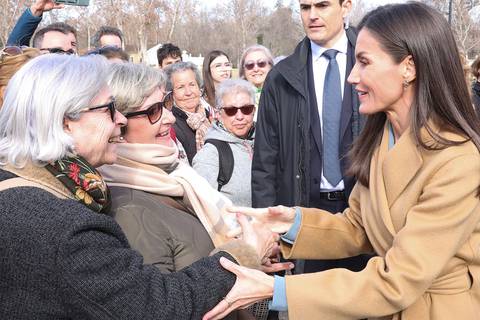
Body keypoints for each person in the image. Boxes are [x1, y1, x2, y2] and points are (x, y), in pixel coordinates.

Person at [204, 3, 480, 320]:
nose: (351, 76)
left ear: (408, 67)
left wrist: (277, 291)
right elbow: (358, 227)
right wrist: (290, 223)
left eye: (363, 62)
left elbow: (396, 281)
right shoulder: (383, 138)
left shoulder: (457, 160)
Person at [0, 54, 281, 319]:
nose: (119, 120)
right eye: (109, 110)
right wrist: (241, 254)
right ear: (65, 122)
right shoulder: (69, 228)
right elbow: (156, 308)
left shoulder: (23, 189)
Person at [252, 0, 368, 274]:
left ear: (346, 6)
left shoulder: (373, 66)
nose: (312, 16)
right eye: (305, 7)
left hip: (365, 213)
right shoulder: (281, 78)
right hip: (305, 217)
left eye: (322, 5)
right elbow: (265, 161)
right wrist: (266, 228)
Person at [193, 79, 256, 207]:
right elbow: (204, 208)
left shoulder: (267, 143)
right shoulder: (210, 155)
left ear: (254, 110)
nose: (240, 116)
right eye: (231, 110)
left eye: (246, 109)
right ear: (219, 114)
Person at [165, 61, 212, 164]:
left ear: (199, 88)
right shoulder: (171, 126)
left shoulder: (209, 116)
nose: (188, 92)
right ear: (172, 94)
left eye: (192, 85)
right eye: (181, 87)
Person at [7, 0, 77, 54]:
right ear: (37, 54)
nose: (66, 59)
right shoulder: (31, 71)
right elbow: (14, 50)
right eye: (57, 52)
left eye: (70, 53)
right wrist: (36, 10)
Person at [239, 45, 273, 120]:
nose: (256, 69)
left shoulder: (282, 94)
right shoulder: (236, 97)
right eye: (250, 65)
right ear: (243, 71)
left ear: (270, 66)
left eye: (261, 63)